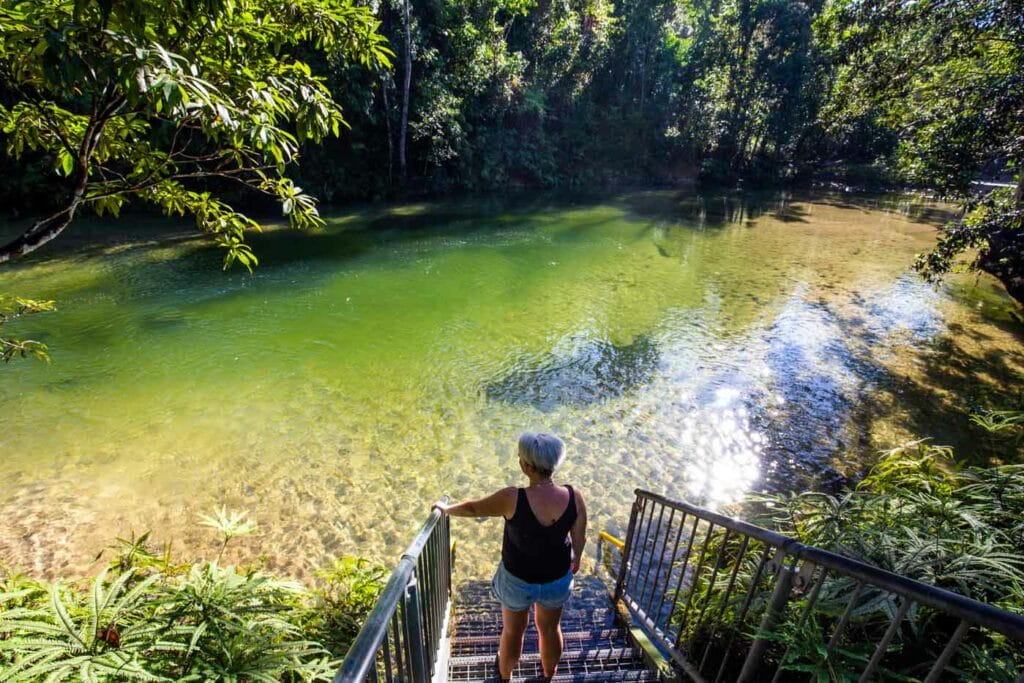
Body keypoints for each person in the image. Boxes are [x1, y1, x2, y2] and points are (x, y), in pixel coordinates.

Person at [435, 432, 587, 682]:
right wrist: (577, 558)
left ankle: (505, 677)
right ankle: (548, 675)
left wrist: (446, 509)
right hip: (557, 576)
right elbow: (579, 536)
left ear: (527, 467)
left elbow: (474, 508)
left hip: (517, 580)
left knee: (513, 632)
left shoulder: (512, 498)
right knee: (550, 629)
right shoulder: (574, 496)